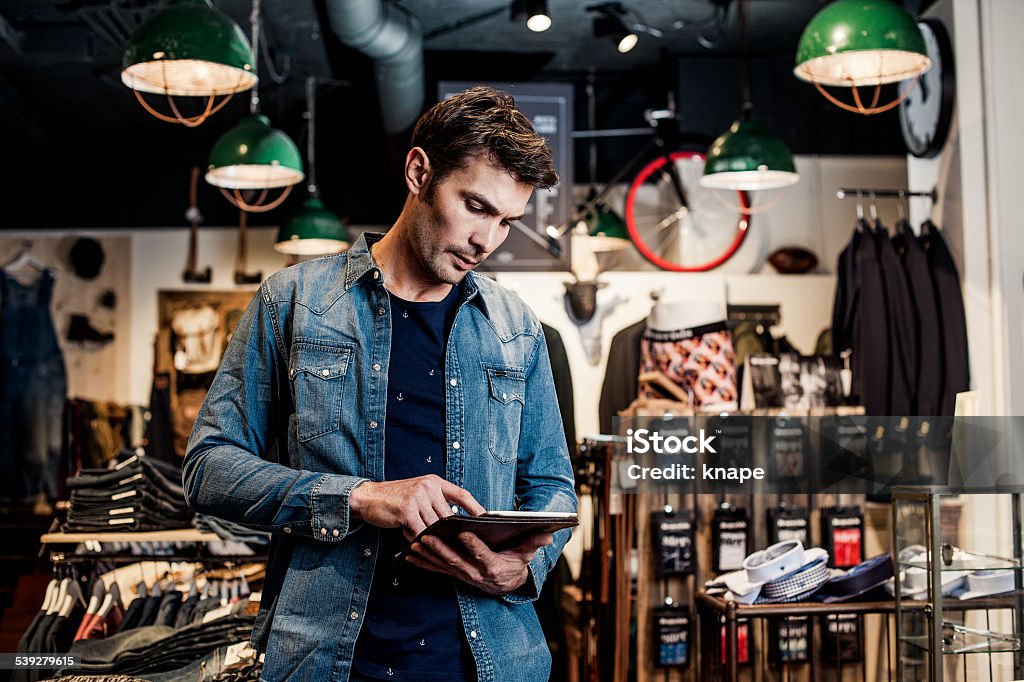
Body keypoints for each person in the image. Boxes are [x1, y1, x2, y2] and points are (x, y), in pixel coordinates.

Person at [183, 86, 578, 682]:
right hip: (329, 660)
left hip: (485, 659)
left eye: (507, 221)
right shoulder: (295, 302)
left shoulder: (516, 327)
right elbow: (209, 469)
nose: (488, 242)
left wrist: (525, 571)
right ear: (419, 172)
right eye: (475, 207)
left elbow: (552, 484)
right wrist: (360, 497)